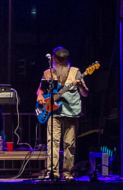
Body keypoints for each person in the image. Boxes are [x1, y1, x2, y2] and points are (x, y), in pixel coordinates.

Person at [36, 47, 88, 181]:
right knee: (52, 142)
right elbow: (40, 90)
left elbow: (85, 93)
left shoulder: (75, 72)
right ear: (53, 59)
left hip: (71, 113)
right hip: (53, 113)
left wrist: (81, 86)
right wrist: (40, 96)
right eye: (59, 60)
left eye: (64, 60)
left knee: (70, 145)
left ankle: (68, 173)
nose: (62, 62)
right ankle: (53, 172)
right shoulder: (47, 73)